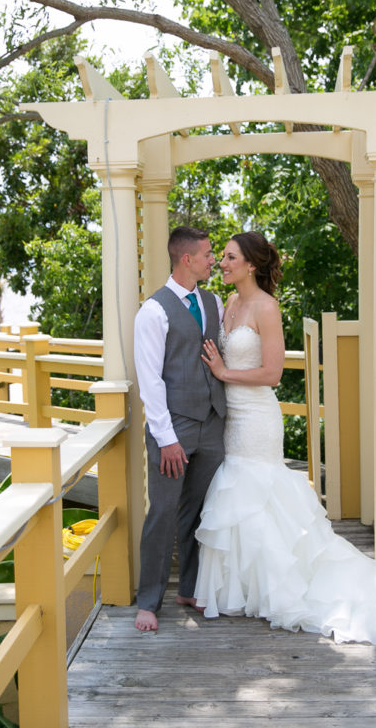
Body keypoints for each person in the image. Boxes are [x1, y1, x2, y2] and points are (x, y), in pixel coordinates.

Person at [194, 231, 376, 651]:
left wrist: (224, 373)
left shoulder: (267, 308)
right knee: (239, 494)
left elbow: (272, 373)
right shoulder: (228, 302)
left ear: (251, 265)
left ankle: (283, 588)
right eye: (222, 257)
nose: (222, 264)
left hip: (257, 417)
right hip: (230, 416)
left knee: (259, 492)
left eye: (229, 257)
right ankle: (246, 589)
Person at [132, 226, 226, 632]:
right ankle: (148, 602)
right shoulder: (153, 312)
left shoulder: (213, 301)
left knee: (200, 509)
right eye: (207, 254)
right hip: (173, 427)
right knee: (163, 512)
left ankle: (189, 588)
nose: (213, 260)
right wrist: (166, 439)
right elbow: (150, 380)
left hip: (213, 424)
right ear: (187, 259)